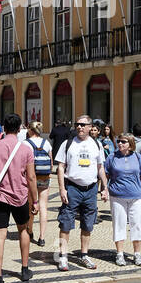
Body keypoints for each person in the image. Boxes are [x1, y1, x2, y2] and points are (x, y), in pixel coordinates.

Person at [0, 114, 38, 283]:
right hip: (20, 196)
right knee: (23, 230)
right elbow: (30, 177)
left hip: (0, 197)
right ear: (20, 128)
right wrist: (35, 200)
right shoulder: (26, 149)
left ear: (4, 128)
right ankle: (24, 269)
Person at [55, 114, 108, 272]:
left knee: (88, 224)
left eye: (83, 125)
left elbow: (100, 168)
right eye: (77, 124)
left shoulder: (96, 144)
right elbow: (60, 167)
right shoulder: (68, 143)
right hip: (72, 188)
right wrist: (62, 189)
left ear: (90, 127)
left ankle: (84, 255)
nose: (79, 127)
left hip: (90, 189)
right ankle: (63, 256)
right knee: (65, 223)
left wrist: (105, 187)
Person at [105, 132, 141, 267]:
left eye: (123, 142)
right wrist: (104, 189)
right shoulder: (112, 157)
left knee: (137, 224)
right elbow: (106, 176)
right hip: (117, 196)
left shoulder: (137, 157)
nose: (120, 144)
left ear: (130, 145)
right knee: (119, 224)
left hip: (136, 195)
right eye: (119, 141)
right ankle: (120, 254)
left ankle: (137, 254)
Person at [25, 121, 53, 246]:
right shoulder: (46, 143)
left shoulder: (25, 144)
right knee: (43, 206)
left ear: (30, 130)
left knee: (31, 205)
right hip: (44, 177)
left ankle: (30, 230)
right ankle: (42, 237)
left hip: (31, 178)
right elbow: (51, 162)